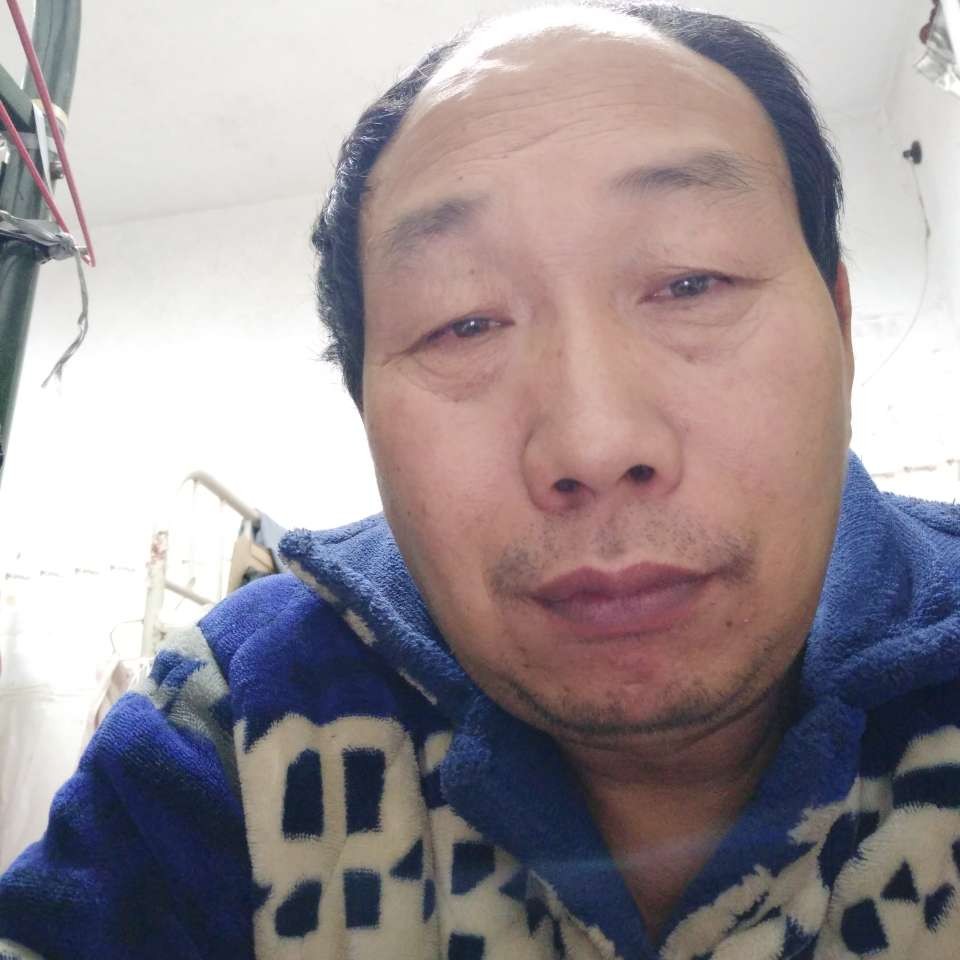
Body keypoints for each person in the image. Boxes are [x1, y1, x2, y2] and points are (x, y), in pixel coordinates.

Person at [2, 2, 959, 958]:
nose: (592, 442)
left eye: (690, 281)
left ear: (840, 327)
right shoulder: (234, 723)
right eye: (462, 323)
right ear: (364, 410)